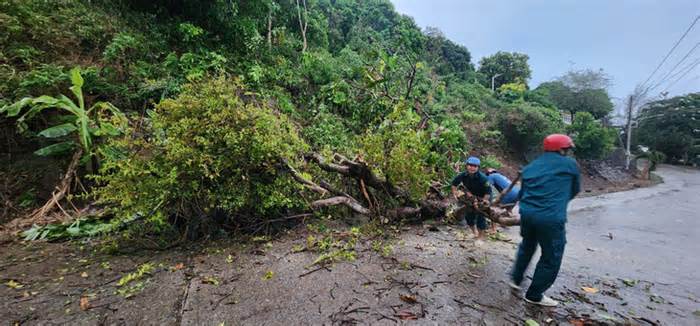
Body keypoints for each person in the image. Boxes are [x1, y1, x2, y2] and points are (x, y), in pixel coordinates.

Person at [509, 134, 581, 307]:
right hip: (550, 217)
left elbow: (523, 193)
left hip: (527, 214)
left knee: (527, 245)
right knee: (551, 255)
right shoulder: (570, 165)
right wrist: (557, 202)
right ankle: (534, 295)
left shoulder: (530, 167)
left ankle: (515, 279)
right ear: (563, 149)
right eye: (567, 149)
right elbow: (575, 190)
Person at [451, 156, 492, 238]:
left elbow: (488, 192)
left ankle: (480, 237)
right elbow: (454, 184)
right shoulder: (463, 175)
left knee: (481, 216)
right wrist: (455, 193)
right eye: (470, 165)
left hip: (484, 197)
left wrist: (482, 203)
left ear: (478, 168)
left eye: (475, 166)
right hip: (471, 197)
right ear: (466, 165)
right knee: (469, 216)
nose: (472, 168)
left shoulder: (483, 178)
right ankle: (474, 232)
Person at [484, 167, 521, 233]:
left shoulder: (491, 176)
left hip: (509, 193)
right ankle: (506, 223)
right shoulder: (501, 176)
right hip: (517, 193)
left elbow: (488, 188)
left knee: (493, 209)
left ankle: (493, 229)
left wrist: (488, 199)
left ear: (488, 173)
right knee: (508, 209)